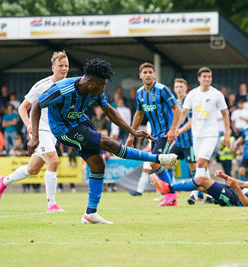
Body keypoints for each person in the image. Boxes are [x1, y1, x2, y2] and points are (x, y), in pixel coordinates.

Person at [23, 58, 177, 224]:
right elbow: (37, 105)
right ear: (89, 82)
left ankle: (91, 213)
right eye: (101, 85)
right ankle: (158, 159)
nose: (104, 88)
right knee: (108, 142)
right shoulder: (63, 88)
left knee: (98, 165)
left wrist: (131, 131)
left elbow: (109, 111)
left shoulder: (95, 90)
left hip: (81, 123)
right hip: (64, 130)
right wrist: (36, 137)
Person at [0, 51, 69, 210]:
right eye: (60, 66)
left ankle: (4, 181)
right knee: (54, 160)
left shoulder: (69, 85)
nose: (64, 69)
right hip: (39, 130)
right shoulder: (42, 85)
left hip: (53, 133)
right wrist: (29, 125)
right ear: (53, 67)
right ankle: (52, 204)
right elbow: (23, 108)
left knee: (32, 169)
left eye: (66, 66)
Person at [125, 62, 181, 207]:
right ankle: (170, 193)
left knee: (154, 162)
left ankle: (171, 192)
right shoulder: (139, 93)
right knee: (157, 163)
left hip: (166, 133)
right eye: (145, 72)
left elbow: (176, 108)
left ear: (154, 74)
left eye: (150, 72)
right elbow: (139, 113)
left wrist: (173, 129)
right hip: (154, 135)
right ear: (140, 75)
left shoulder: (162, 90)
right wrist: (131, 135)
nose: (148, 75)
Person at [176, 66, 231, 204]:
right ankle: (212, 195)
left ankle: (194, 193)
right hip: (196, 135)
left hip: (211, 135)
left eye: (209, 77)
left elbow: (225, 114)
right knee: (203, 165)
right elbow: (183, 113)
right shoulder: (192, 94)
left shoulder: (217, 94)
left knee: (199, 162)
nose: (207, 79)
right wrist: (175, 127)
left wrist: (227, 133)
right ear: (199, 78)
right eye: (204, 77)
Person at [151, 159, 248, 207]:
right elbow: (245, 184)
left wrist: (235, 188)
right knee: (200, 185)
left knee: (202, 180)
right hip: (234, 192)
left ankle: (168, 188)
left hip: (235, 200)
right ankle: (172, 198)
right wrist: (226, 177)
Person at [167, 78, 196, 192]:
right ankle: (169, 190)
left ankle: (196, 193)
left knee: (193, 167)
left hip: (190, 142)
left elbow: (190, 122)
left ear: (186, 88)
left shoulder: (189, 103)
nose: (179, 89)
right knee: (167, 163)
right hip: (178, 142)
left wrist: (178, 131)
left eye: (181, 87)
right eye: (177, 87)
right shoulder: (175, 104)